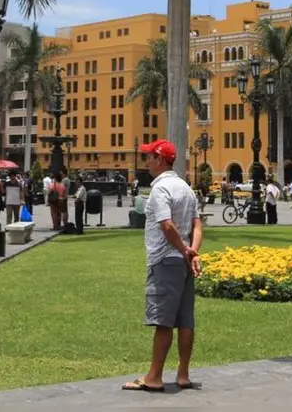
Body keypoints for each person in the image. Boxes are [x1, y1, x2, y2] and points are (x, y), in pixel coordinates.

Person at [122, 139, 202, 393]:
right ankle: (183, 374)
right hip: (184, 262)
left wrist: (182, 249)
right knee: (186, 320)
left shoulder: (160, 190)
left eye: (149, 157)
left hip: (165, 260)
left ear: (160, 159)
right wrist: (192, 252)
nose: (147, 162)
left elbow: (166, 225)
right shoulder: (186, 188)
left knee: (164, 322)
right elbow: (197, 225)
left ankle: (154, 377)